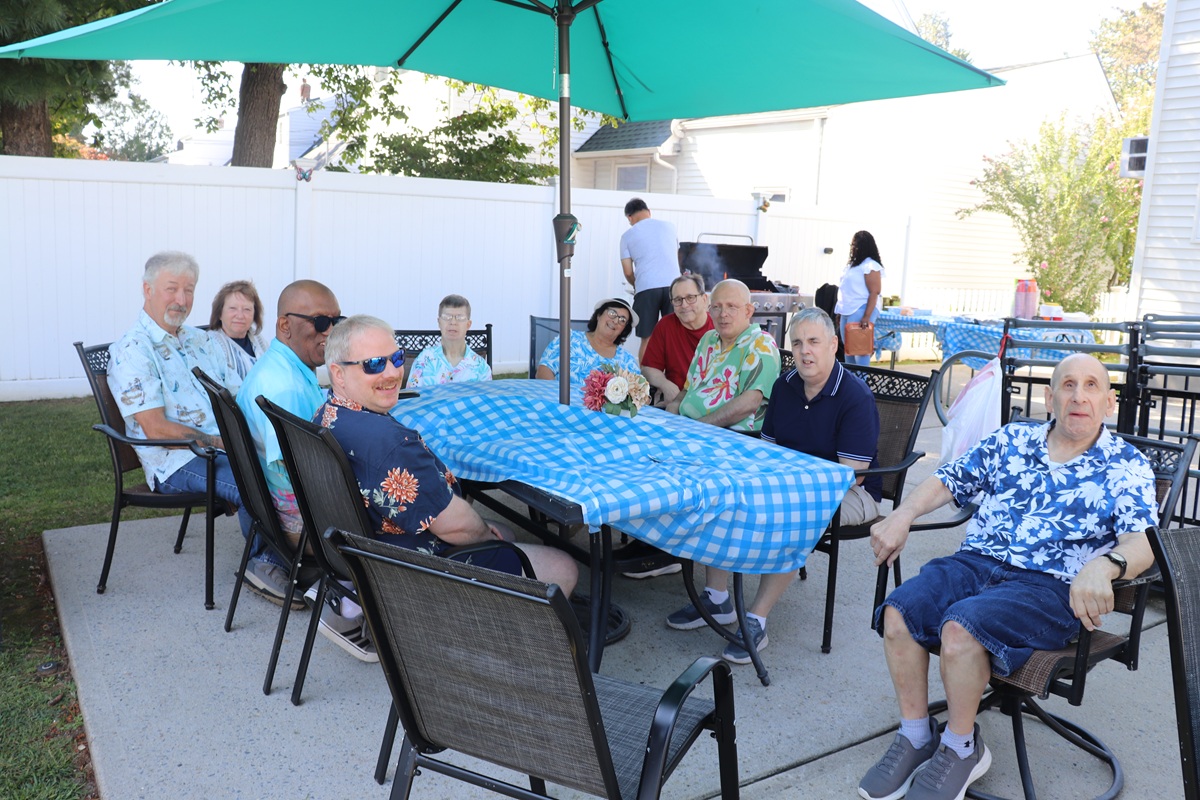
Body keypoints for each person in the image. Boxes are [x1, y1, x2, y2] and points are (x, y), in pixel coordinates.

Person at [858, 353, 1159, 800]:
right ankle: (917, 734)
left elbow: (1143, 542)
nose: (1079, 396)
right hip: (976, 564)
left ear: (1109, 402)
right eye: (1069, 385)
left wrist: (1105, 564)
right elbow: (948, 479)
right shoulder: (1012, 439)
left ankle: (961, 748)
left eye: (1092, 386)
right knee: (901, 611)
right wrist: (903, 514)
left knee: (962, 626)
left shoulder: (1126, 465)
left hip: (1049, 587)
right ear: (1049, 396)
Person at [316, 315, 579, 638]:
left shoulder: (329, 414)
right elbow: (456, 527)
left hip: (366, 547)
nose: (392, 373)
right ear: (338, 374)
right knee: (562, 566)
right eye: (373, 364)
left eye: (396, 359)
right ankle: (504, 643)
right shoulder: (389, 444)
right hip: (411, 566)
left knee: (507, 533)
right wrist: (484, 534)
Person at [700, 307, 880, 664]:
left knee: (796, 512)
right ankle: (717, 599)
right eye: (797, 343)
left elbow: (852, 474)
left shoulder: (855, 397)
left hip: (849, 491)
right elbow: (768, 449)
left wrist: (789, 487)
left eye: (813, 342)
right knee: (726, 491)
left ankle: (756, 619)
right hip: (788, 480)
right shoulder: (784, 386)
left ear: (833, 345)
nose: (804, 351)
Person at [107, 251, 253, 566]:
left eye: (189, 290)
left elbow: (239, 394)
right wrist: (219, 442)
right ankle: (267, 566)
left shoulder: (201, 341)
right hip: (174, 460)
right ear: (147, 290)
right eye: (171, 288)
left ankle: (300, 558)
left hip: (222, 448)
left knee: (285, 468)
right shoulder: (132, 351)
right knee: (252, 484)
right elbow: (156, 429)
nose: (181, 299)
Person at [663, 278, 780, 629]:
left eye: (731, 307)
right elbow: (688, 391)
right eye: (717, 307)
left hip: (736, 441)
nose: (723, 313)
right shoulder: (709, 340)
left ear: (748, 310)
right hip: (697, 434)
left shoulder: (760, 344)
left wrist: (702, 427)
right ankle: (656, 551)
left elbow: (750, 402)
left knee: (704, 491)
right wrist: (670, 418)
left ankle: (717, 599)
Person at [236, 280, 343, 605]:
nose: (331, 333)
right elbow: (299, 474)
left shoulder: (286, 367)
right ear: (285, 326)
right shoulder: (286, 387)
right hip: (297, 523)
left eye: (337, 322)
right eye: (322, 323)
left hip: (267, 509)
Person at [640, 273, 714, 407]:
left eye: (690, 298)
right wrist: (666, 385)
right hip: (675, 399)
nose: (684, 305)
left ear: (704, 299)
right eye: (678, 300)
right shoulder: (666, 325)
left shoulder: (718, 326)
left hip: (712, 401)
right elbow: (648, 368)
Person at [620, 198, 680, 359]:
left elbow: (627, 272)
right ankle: (673, 379)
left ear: (630, 218)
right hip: (674, 288)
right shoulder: (670, 227)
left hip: (646, 288)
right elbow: (674, 258)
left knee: (648, 337)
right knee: (673, 337)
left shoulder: (627, 236)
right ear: (648, 212)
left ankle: (646, 382)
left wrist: (636, 284)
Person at [535, 298, 641, 385]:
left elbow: (640, 393)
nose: (615, 321)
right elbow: (544, 371)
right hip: (563, 406)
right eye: (612, 313)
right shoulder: (569, 338)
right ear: (599, 315)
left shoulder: (627, 360)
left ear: (624, 329)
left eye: (622, 320)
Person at [406, 294, 492, 386]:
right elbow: (412, 398)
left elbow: (486, 399)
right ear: (439, 322)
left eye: (460, 318)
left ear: (468, 324)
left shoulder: (480, 367)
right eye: (447, 317)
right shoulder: (424, 360)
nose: (453, 322)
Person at [206, 280, 269, 395]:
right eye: (233, 308)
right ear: (220, 313)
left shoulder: (259, 341)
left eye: (247, 309)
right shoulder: (210, 344)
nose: (240, 315)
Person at [835, 230, 884, 367]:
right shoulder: (853, 265)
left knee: (860, 349)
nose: (853, 247)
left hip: (861, 308)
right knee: (848, 349)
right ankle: (852, 381)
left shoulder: (870, 265)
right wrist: (841, 312)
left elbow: (874, 292)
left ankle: (862, 382)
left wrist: (866, 317)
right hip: (847, 310)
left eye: (856, 244)